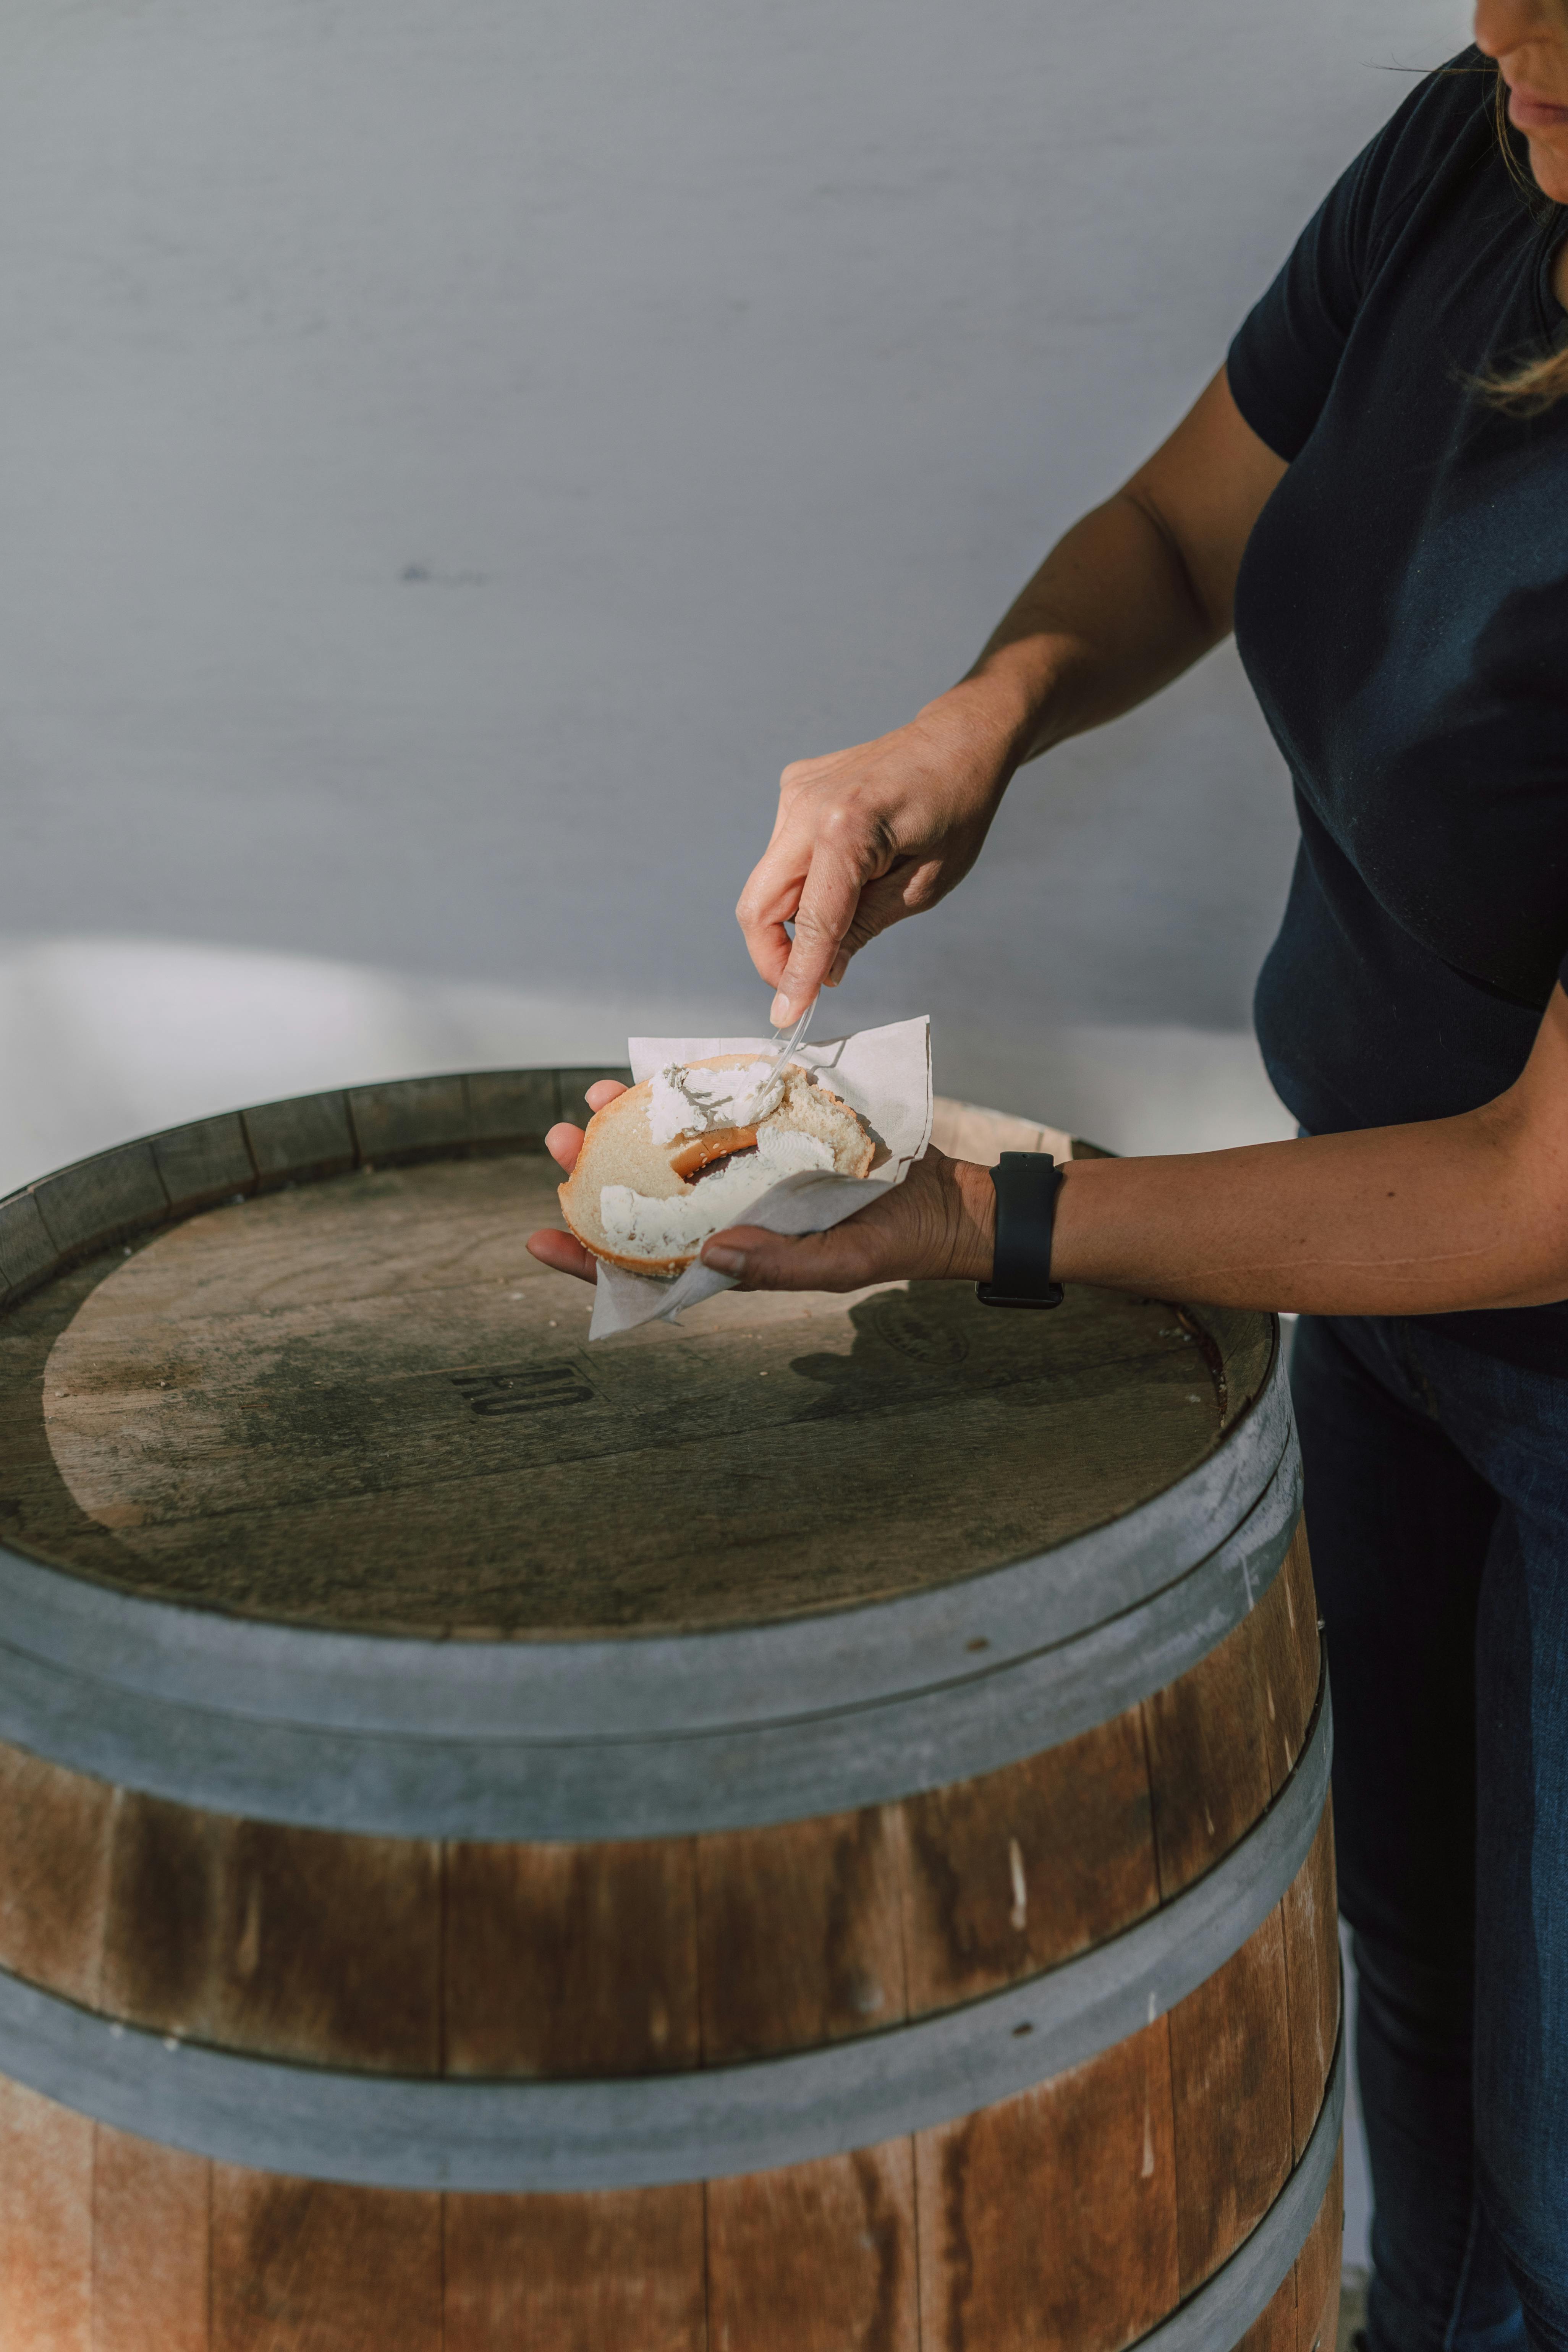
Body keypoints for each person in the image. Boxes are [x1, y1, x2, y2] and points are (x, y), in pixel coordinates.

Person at [529, 6, 1568, 2343]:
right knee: (1414, 2000)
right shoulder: (1471, 163)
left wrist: (980, 1218)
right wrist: (968, 728)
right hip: (1396, 1325)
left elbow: (1539, 1183)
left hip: (1512, 1283)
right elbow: (1198, 521)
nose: (1510, 21)